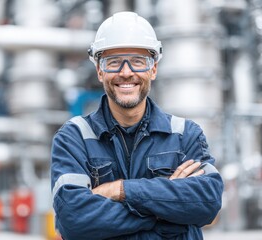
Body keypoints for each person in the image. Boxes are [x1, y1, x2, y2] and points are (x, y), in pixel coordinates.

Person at [50, 11, 224, 240]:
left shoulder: (185, 135)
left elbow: (208, 202)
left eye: (138, 62)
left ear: (153, 69)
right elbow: (72, 219)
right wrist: (167, 210)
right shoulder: (73, 138)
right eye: (113, 63)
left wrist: (120, 190)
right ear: (100, 71)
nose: (126, 72)